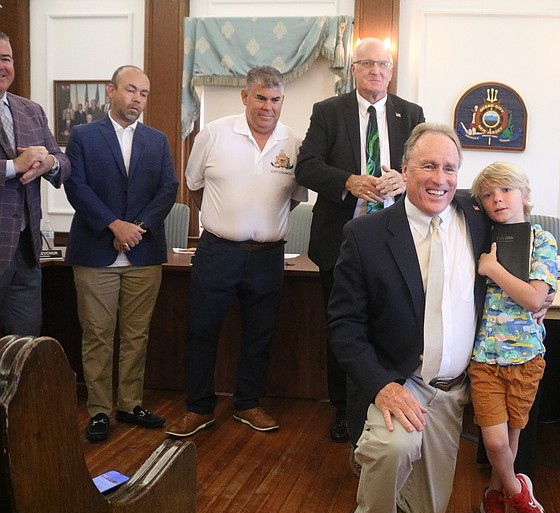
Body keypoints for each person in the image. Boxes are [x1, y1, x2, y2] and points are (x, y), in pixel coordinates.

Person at [327, 123, 489, 513]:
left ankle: (375, 459)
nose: (440, 179)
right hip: (402, 379)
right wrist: (382, 386)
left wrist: (539, 295)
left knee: (430, 512)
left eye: (450, 168)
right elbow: (345, 326)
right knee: (394, 447)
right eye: (428, 166)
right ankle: (373, 508)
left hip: (453, 389)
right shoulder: (366, 235)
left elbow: (527, 235)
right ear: (404, 169)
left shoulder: (478, 218)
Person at [166, 66, 307, 438]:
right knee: (202, 330)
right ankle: (198, 409)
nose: (268, 107)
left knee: (260, 334)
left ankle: (247, 403)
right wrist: (225, 223)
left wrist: (263, 228)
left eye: (275, 100)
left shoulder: (293, 143)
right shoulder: (213, 134)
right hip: (217, 252)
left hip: (268, 256)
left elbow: (293, 200)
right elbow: (193, 187)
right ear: (245, 96)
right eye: (260, 97)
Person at [296, 36, 425, 444]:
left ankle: (393, 399)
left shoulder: (411, 113)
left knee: (392, 329)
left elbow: (423, 168)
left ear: (391, 70)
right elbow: (307, 167)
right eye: (366, 63)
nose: (375, 71)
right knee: (345, 329)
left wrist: (404, 179)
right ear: (353, 70)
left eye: (382, 64)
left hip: (396, 243)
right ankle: (343, 411)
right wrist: (349, 181)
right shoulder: (328, 112)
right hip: (341, 243)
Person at [65, 65, 177, 442]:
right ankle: (99, 409)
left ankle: (130, 403)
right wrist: (114, 225)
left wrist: (136, 230)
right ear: (111, 91)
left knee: (136, 336)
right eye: (131, 91)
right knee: (97, 335)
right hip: (96, 252)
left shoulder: (158, 140)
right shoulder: (83, 135)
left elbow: (167, 190)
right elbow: (76, 187)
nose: (137, 100)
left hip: (143, 256)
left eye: (144, 94)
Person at [469, 162, 557, 513]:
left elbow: (536, 299)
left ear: (526, 195)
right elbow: (452, 199)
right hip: (485, 358)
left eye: (505, 190)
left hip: (525, 357)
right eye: (487, 195)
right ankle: (518, 491)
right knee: (493, 441)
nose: (497, 199)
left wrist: (492, 270)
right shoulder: (478, 236)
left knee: (510, 439)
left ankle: (493, 498)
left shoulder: (542, 241)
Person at [0, 31, 70, 336]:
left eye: (6, 59)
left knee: (24, 350)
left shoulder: (31, 110)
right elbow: (19, 165)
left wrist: (49, 162)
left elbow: (62, 162)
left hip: (26, 253)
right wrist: (14, 166)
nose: (2, 66)